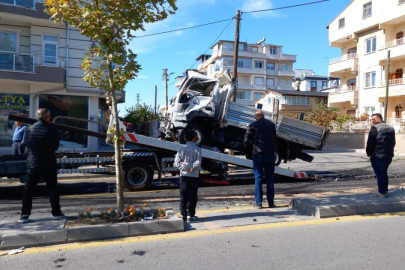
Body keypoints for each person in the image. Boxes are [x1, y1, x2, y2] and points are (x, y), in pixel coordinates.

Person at [19, 108, 63, 223]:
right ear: (47, 117)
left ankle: (25, 214)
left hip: (34, 163)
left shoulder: (29, 129)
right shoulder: (52, 130)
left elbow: (28, 145)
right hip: (49, 163)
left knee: (29, 190)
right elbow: (55, 146)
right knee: (52, 188)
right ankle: (56, 213)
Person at [244, 110, 277, 209]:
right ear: (263, 116)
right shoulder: (271, 125)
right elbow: (275, 138)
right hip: (270, 154)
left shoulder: (252, 125)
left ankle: (258, 203)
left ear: (255, 117)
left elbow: (246, 141)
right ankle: (271, 203)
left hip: (258, 154)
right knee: (270, 178)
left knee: (258, 178)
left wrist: (252, 147)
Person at [174, 129, 202, 222]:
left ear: (185, 138)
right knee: (192, 195)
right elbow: (198, 162)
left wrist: (185, 166)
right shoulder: (198, 149)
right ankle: (191, 214)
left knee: (183, 194)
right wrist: (191, 167)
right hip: (194, 175)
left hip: (184, 175)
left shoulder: (181, 149)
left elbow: (177, 162)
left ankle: (183, 214)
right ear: (195, 138)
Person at [366, 113, 396, 198]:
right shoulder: (391, 128)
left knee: (380, 174)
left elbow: (370, 142)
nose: (372, 121)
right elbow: (393, 142)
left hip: (377, 156)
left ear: (379, 119)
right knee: (383, 173)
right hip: (388, 155)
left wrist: (369, 153)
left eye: (373, 119)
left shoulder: (375, 128)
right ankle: (384, 190)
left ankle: (382, 192)